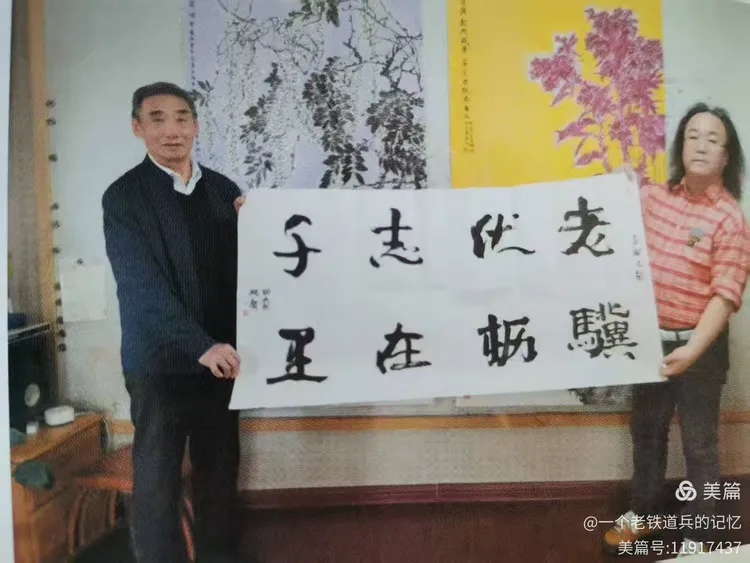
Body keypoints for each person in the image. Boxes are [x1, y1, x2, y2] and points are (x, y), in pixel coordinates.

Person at [102, 82, 253, 563]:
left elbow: (246, 275)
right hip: (159, 364)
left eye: (182, 118)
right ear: (137, 127)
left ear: (196, 125)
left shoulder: (224, 191)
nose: (172, 130)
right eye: (158, 118)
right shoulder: (123, 197)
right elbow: (141, 287)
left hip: (221, 362)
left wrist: (258, 229)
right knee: (157, 480)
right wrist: (199, 345)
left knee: (220, 473)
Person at [603, 103, 749, 557]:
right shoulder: (654, 197)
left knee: (699, 445)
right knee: (646, 432)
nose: (701, 145)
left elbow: (725, 295)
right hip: (650, 342)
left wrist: (692, 349)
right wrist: (616, 185)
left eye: (713, 139)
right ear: (681, 147)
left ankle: (699, 535)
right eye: (693, 136)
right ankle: (644, 512)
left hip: (701, 349)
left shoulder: (729, 218)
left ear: (726, 156)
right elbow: (608, 217)